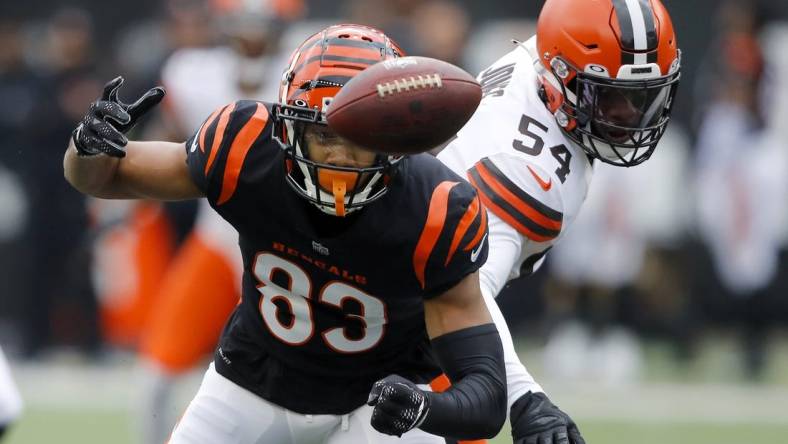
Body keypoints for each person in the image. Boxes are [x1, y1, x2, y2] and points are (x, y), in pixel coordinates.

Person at [64, 24, 506, 443]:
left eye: (358, 139)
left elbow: (486, 395)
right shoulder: (245, 147)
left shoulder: (436, 207)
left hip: (377, 401)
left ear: (393, 138)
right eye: (323, 136)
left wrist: (423, 407)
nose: (339, 158)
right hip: (255, 381)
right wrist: (86, 148)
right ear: (288, 127)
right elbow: (103, 179)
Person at [436, 0, 681, 442]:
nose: (630, 118)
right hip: (398, 315)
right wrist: (526, 398)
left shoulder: (545, 56)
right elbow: (460, 293)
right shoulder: (530, 172)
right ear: (557, 80)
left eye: (644, 97)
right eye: (610, 97)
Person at [136, 1, 302, 442]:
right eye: (243, 25)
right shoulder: (192, 70)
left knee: (306, 373)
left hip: (285, 243)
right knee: (159, 364)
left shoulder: (306, 73)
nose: (251, 36)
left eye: (260, 25)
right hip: (215, 235)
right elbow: (169, 141)